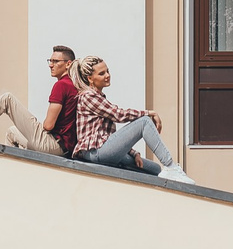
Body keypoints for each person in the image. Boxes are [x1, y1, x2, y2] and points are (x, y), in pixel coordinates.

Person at [69, 55, 192, 183]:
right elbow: (118, 114)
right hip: (95, 153)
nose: (107, 75)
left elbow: (108, 137)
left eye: (107, 71)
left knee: (154, 169)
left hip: (101, 150)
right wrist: (149, 113)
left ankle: (167, 175)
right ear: (90, 79)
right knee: (144, 122)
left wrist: (133, 153)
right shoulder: (88, 96)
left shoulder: (98, 96)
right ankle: (171, 166)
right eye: (101, 73)